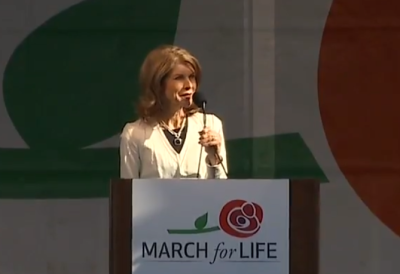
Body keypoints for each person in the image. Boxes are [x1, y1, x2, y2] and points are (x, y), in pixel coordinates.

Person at [119, 45, 228, 179]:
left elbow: (223, 193)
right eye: (179, 78)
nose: (189, 85)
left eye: (192, 77)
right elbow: (128, 194)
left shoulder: (211, 124)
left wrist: (215, 158)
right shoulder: (134, 134)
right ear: (158, 84)